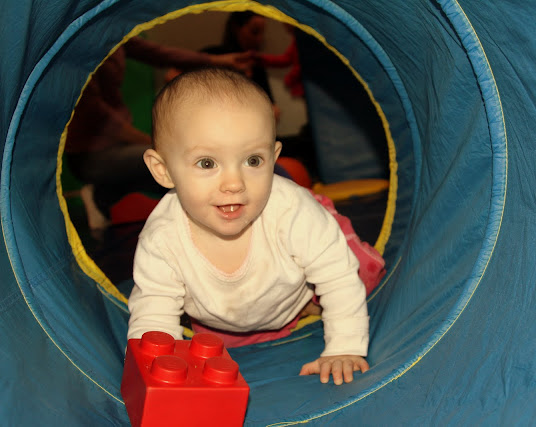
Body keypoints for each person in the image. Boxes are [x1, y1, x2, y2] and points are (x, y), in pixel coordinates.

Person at [127, 67, 370, 385]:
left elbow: (339, 276)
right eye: (207, 163)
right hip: (224, 317)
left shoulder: (291, 212)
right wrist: (159, 375)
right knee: (220, 348)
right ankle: (298, 310)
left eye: (253, 161)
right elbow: (154, 310)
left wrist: (345, 347)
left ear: (273, 157)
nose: (234, 183)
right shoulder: (162, 237)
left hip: (298, 269)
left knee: (358, 271)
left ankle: (310, 300)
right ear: (163, 170)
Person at [65, 36, 253, 230]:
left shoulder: (116, 35)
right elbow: (97, 115)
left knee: (171, 171)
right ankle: (104, 196)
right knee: (172, 168)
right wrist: (154, 144)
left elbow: (159, 53)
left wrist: (218, 60)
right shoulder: (80, 49)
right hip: (90, 154)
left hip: (119, 145)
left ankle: (103, 194)